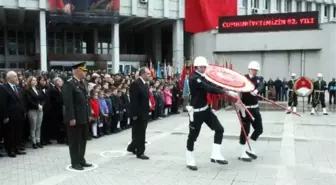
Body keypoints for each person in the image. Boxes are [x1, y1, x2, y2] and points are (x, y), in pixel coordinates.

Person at [185, 56, 238, 171]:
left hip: (206, 110)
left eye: (205, 66)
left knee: (219, 129)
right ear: (197, 66)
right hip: (196, 112)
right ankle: (189, 159)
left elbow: (212, 85)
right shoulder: (194, 78)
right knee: (193, 137)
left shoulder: (202, 77)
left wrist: (228, 90)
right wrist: (225, 92)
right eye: (203, 66)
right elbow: (208, 88)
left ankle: (216, 154)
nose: (205, 68)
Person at [62, 62, 92, 171]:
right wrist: (71, 118)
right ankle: (75, 162)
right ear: (78, 71)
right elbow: (68, 103)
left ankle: (81, 159)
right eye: (84, 70)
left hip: (83, 117)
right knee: (74, 141)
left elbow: (86, 101)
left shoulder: (82, 83)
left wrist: (88, 114)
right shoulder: (69, 83)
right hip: (75, 118)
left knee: (83, 139)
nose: (86, 72)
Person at [237, 61, 265, 162]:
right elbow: (237, 87)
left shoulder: (258, 79)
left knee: (259, 129)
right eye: (254, 70)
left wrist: (257, 91)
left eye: (256, 70)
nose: (255, 72)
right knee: (245, 130)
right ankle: (242, 152)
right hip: (245, 108)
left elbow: (261, 85)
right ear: (249, 69)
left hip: (255, 108)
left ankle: (249, 147)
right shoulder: (243, 78)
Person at [0, 71, 27, 157]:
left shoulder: (18, 87)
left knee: (17, 132)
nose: (17, 78)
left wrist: (24, 111)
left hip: (19, 114)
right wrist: (5, 116)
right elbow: (2, 103)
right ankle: (10, 149)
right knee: (9, 133)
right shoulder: (3, 88)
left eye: (17, 76)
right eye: (15, 76)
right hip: (10, 116)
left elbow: (21, 101)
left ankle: (16, 148)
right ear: (9, 78)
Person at [127, 67, 151, 160]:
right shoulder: (136, 84)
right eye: (148, 73)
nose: (149, 75)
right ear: (143, 74)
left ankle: (132, 147)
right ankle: (140, 152)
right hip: (139, 113)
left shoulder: (145, 84)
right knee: (140, 133)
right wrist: (134, 114)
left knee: (140, 132)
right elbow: (134, 101)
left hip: (144, 112)